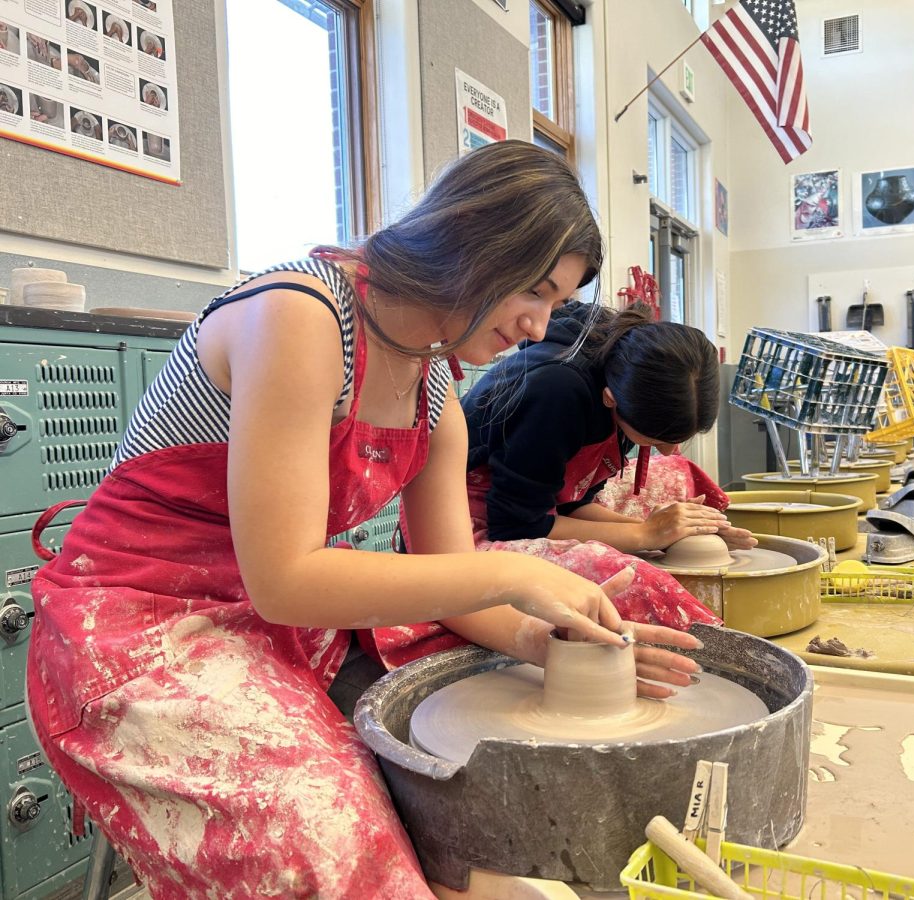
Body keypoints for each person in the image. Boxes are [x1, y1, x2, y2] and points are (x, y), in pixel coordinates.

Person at [25, 141, 703, 898]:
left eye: (554, 303)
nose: (539, 327)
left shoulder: (433, 390)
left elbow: (453, 582)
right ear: (476, 246)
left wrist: (536, 643)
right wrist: (514, 570)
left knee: (605, 595)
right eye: (535, 294)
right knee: (329, 835)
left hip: (277, 619)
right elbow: (285, 579)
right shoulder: (301, 316)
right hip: (138, 622)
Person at [462, 302, 754, 627]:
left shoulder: (626, 380)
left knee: (674, 487)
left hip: (529, 513)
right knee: (632, 579)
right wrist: (644, 535)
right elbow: (516, 526)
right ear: (610, 399)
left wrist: (670, 531)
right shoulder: (558, 392)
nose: (669, 450)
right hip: (466, 526)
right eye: (655, 439)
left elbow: (571, 504)